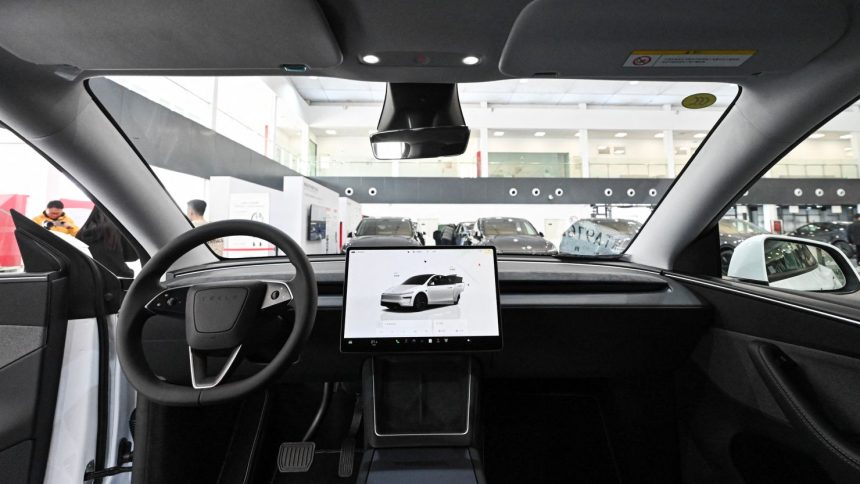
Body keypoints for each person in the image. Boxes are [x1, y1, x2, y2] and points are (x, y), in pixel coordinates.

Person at [76, 207, 139, 277]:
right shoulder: (112, 231)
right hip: (111, 280)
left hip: (85, 278)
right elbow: (132, 255)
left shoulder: (82, 233)